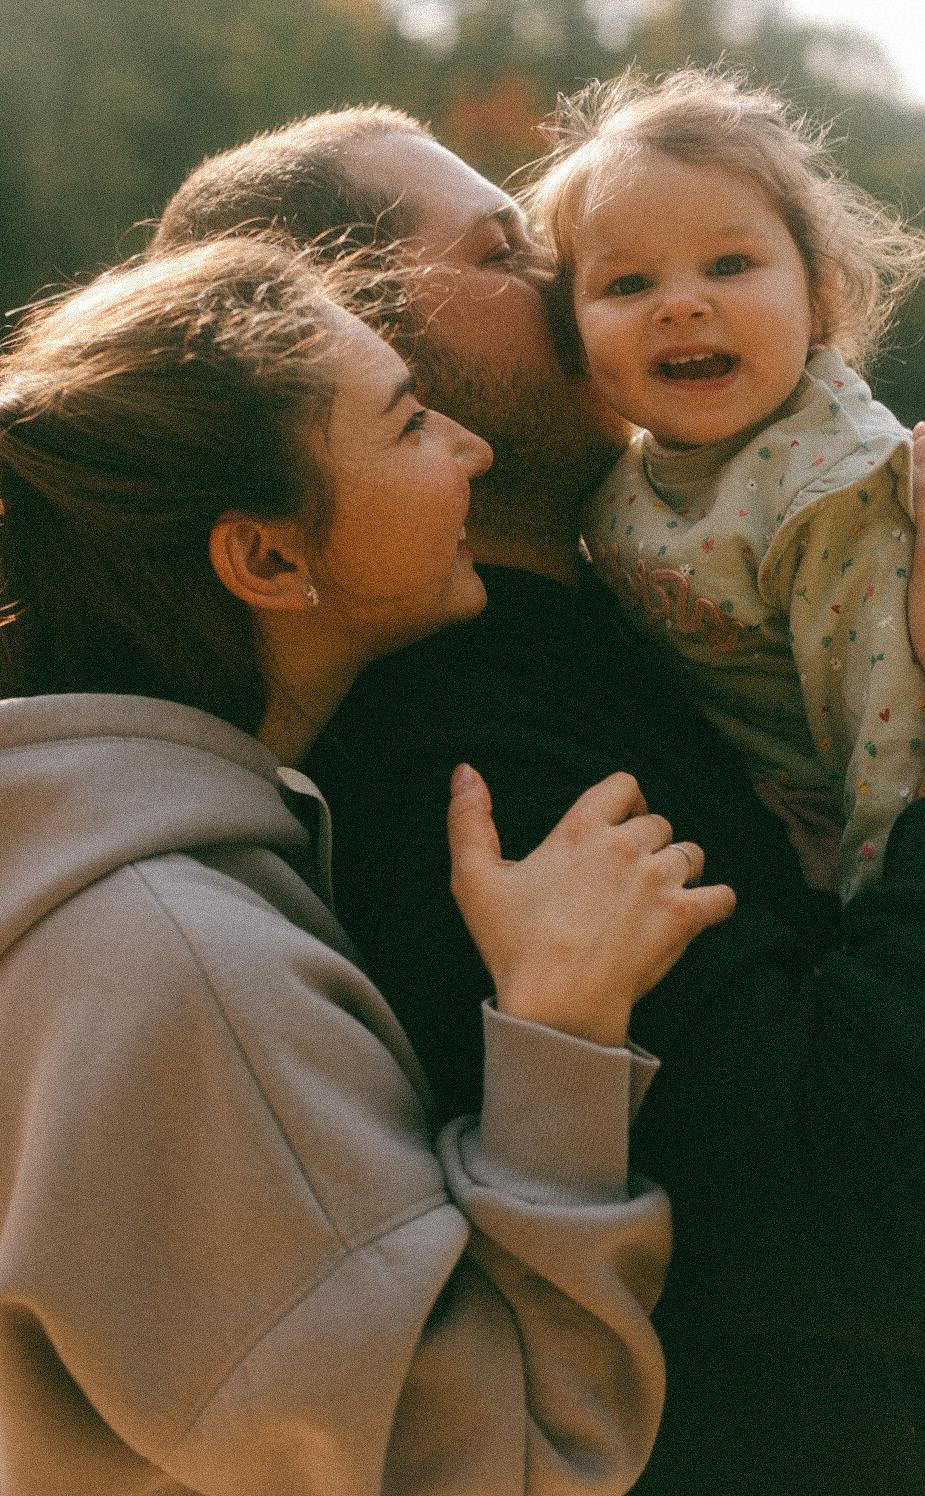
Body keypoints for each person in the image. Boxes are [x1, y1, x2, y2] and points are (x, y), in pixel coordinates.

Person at [0, 236, 730, 1495]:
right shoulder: (182, 968)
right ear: (268, 559)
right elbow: (509, 1466)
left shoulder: (68, 900)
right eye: (412, 422)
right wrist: (560, 1030)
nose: (471, 449)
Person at [154, 109, 925, 1495]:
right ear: (357, 341)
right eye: (514, 252)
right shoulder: (474, 755)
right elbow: (858, 1206)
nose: (582, 275)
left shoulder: (656, 618)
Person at [529, 67, 925, 898]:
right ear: (572, 330)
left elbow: (885, 731)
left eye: (730, 264)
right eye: (628, 284)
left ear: (819, 297)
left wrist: (875, 919)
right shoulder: (619, 467)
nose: (681, 306)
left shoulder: (833, 492)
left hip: (846, 835)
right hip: (729, 809)